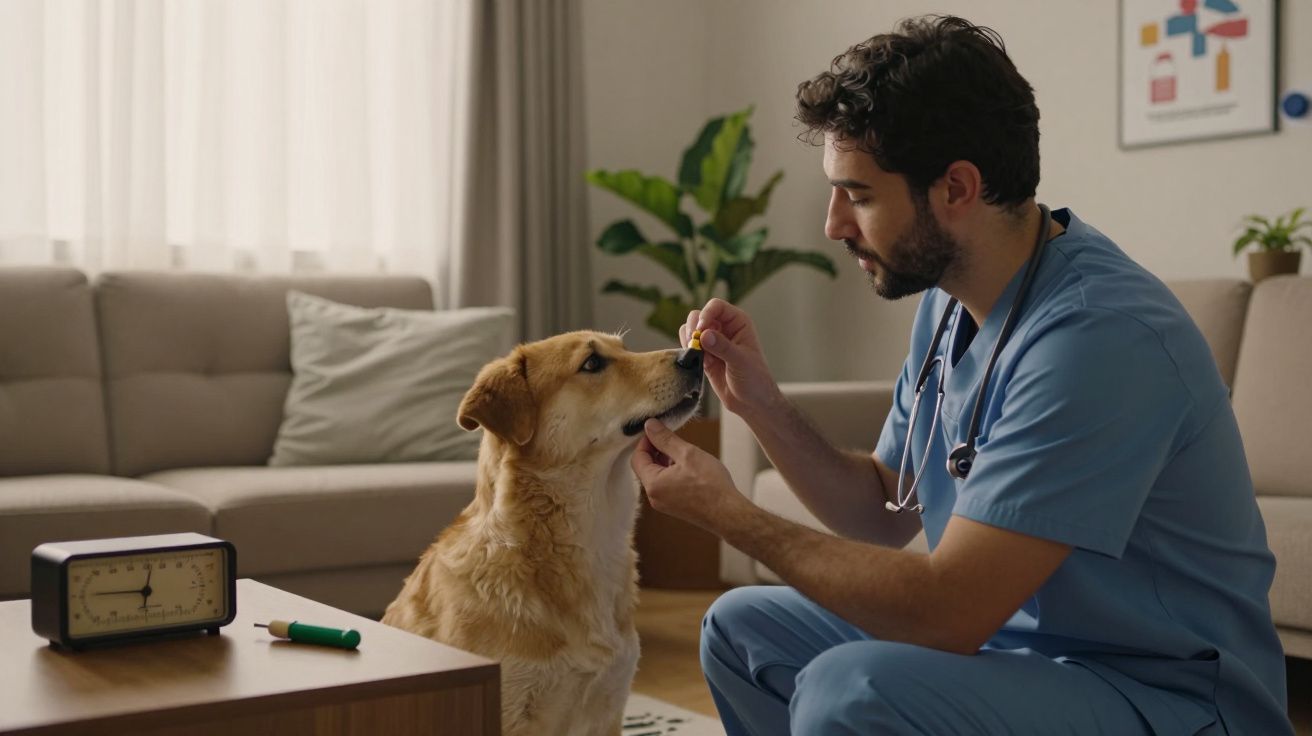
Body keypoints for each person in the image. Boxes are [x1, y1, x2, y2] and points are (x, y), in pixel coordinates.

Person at [629, 14, 1291, 736]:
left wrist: (730, 514)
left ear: (957, 187)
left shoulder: (1099, 337)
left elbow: (947, 611)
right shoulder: (950, 305)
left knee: (848, 692)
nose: (834, 224)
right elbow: (882, 511)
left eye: (859, 195)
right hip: (1018, 656)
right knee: (742, 628)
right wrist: (759, 402)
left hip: (1163, 693)